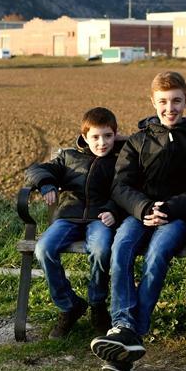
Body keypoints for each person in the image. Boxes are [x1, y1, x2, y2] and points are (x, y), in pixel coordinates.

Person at [91, 72, 186, 371]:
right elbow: (120, 186)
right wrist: (144, 207)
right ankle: (122, 325)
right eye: (163, 101)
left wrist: (170, 208)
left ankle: (133, 334)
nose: (169, 108)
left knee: (158, 256)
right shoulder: (137, 141)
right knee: (120, 248)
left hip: (177, 217)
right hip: (140, 213)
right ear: (153, 102)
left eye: (176, 101)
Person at [25, 107, 123, 338]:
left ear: (115, 134)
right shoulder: (69, 157)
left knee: (100, 250)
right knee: (44, 248)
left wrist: (114, 211)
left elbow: (126, 191)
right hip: (68, 216)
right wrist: (46, 182)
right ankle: (69, 306)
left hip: (99, 218)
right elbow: (35, 169)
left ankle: (97, 304)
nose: (102, 143)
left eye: (108, 136)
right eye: (95, 137)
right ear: (85, 136)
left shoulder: (119, 161)